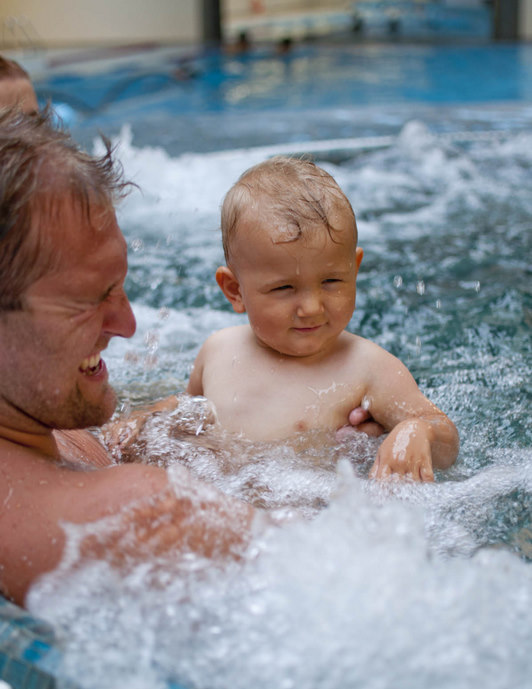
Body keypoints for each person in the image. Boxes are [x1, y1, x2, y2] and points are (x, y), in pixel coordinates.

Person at [0, 107, 258, 608]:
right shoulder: (147, 514)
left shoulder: (33, 419)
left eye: (119, 286)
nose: (127, 324)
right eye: (89, 300)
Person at [187, 156, 459, 481]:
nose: (312, 307)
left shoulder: (367, 367)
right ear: (235, 291)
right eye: (285, 287)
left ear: (354, 269)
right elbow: (184, 419)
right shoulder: (218, 351)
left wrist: (416, 432)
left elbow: (445, 437)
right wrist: (143, 419)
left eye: (331, 282)